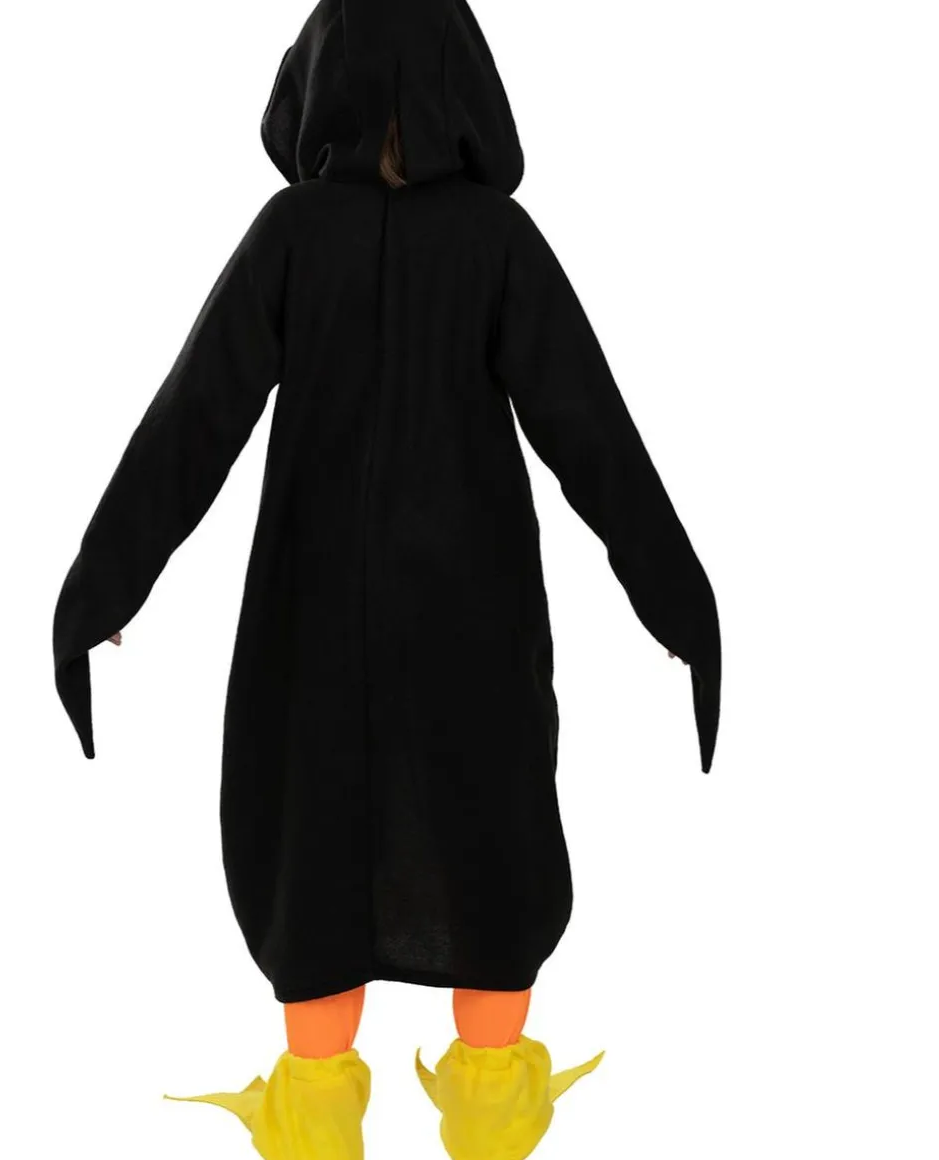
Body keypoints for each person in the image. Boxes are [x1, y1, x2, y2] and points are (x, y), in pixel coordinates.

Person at [52, 0, 721, 1156]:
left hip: (310, 616)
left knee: (312, 841)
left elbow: (191, 421)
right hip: (474, 613)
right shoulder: (496, 241)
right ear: (470, 87)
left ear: (318, 81)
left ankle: (314, 1116)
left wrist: (101, 588)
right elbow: (591, 434)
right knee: (489, 836)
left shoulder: (289, 236)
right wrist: (676, 602)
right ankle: (493, 1105)